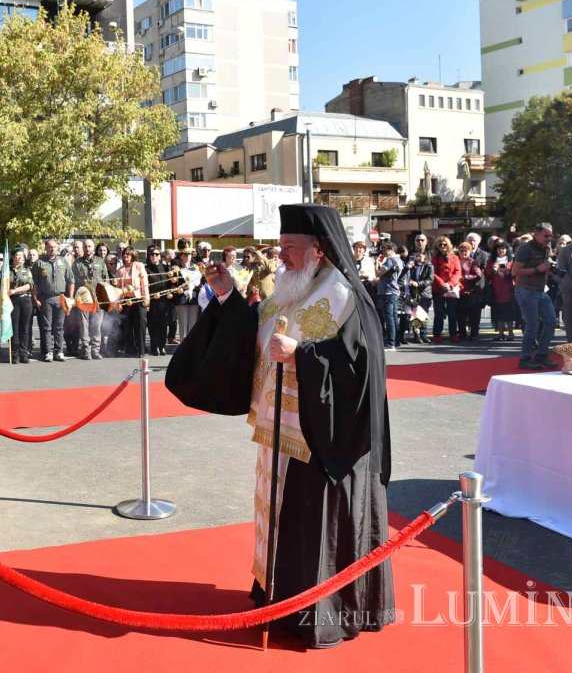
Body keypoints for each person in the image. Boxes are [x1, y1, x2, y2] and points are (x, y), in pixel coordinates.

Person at [166, 203, 392, 649]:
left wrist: (303, 357)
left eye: (290, 246)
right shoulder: (292, 288)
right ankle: (279, 597)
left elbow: (358, 371)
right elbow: (258, 331)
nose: (281, 254)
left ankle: (317, 612)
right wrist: (228, 296)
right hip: (278, 433)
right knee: (278, 521)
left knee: (310, 527)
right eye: (281, 245)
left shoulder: (343, 294)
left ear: (319, 250)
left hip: (319, 440)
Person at [512, 224, 559, 370]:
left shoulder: (546, 247)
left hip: (540, 290)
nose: (549, 238)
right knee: (532, 325)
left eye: (550, 235)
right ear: (536, 234)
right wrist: (537, 269)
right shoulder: (526, 248)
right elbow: (515, 271)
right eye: (546, 235)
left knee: (551, 321)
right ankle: (525, 358)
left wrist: (550, 269)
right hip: (526, 290)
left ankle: (541, 354)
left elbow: (543, 265)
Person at [32, 238, 72, 362]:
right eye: (49, 247)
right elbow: (33, 283)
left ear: (57, 248)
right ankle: (48, 352)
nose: (52, 249)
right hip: (45, 298)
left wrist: (70, 298)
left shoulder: (63, 261)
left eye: (54, 247)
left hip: (60, 297)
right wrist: (35, 298)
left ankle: (59, 351)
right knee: (47, 327)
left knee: (59, 326)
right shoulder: (39, 263)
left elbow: (71, 280)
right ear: (45, 248)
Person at [72, 239, 109, 360]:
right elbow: (73, 281)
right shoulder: (77, 263)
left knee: (96, 325)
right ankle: (86, 350)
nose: (87, 249)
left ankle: (95, 350)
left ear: (93, 247)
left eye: (89, 246)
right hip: (83, 299)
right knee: (84, 325)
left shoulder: (100, 261)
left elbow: (105, 279)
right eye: (85, 246)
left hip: (98, 298)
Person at [115, 246, 149, 356]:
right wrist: (118, 303)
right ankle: (130, 349)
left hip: (138, 299)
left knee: (140, 326)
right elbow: (118, 289)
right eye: (124, 254)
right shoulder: (120, 270)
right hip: (126, 300)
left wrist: (146, 298)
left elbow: (144, 284)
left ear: (133, 255)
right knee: (127, 327)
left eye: (128, 254)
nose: (126, 256)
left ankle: (141, 350)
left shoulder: (139, 266)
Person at [430, 236, 462, 343]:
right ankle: (437, 333)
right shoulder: (434, 258)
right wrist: (442, 284)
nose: (442, 246)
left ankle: (453, 333)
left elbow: (458, 272)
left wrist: (450, 284)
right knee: (439, 313)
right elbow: (433, 273)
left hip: (451, 289)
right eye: (440, 244)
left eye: (444, 244)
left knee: (452, 313)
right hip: (438, 289)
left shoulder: (455, 257)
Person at [485, 242, 516, 341]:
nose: (501, 250)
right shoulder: (491, 261)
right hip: (496, 290)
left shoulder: (511, 260)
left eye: (503, 248)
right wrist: (493, 270)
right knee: (499, 313)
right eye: (499, 248)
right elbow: (487, 274)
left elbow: (515, 273)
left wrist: (508, 270)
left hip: (509, 289)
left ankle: (511, 333)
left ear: (507, 250)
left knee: (509, 313)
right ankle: (500, 333)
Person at [375, 242, 403, 350]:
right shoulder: (399, 260)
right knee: (394, 317)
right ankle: (396, 341)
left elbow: (379, 273)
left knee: (389, 317)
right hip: (394, 290)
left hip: (388, 291)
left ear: (391, 249)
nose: (383, 252)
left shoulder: (390, 260)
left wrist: (377, 263)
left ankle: (391, 343)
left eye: (384, 250)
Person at [7, 248, 34, 363]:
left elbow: (29, 285)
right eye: (17, 256)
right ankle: (15, 354)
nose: (20, 258)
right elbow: (4, 284)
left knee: (25, 328)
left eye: (22, 256)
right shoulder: (7, 270)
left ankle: (24, 353)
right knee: (14, 328)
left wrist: (15, 290)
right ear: (13, 257)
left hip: (26, 300)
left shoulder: (27, 270)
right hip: (13, 301)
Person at [145, 246, 173, 355]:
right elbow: (145, 286)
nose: (154, 256)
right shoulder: (146, 269)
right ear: (149, 256)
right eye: (152, 254)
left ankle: (162, 346)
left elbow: (170, 283)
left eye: (157, 254)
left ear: (160, 256)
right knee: (153, 326)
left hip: (164, 301)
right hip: (153, 301)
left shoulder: (165, 268)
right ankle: (154, 347)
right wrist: (151, 296)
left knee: (163, 325)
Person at [455, 242, 483, 342]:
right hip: (458, 292)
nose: (463, 253)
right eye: (461, 251)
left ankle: (474, 334)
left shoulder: (472, 262)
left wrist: (464, 278)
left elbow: (478, 275)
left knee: (473, 316)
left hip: (470, 292)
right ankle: (462, 334)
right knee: (460, 315)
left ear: (470, 252)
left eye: (465, 251)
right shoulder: (455, 260)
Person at [404, 249, 433, 343]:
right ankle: (416, 335)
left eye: (420, 255)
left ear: (425, 256)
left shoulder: (429, 266)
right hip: (414, 293)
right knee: (415, 314)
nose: (418, 257)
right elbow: (408, 277)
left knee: (424, 315)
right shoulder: (413, 266)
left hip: (425, 293)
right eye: (417, 255)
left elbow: (430, 280)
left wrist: (418, 283)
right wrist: (411, 282)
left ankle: (423, 334)